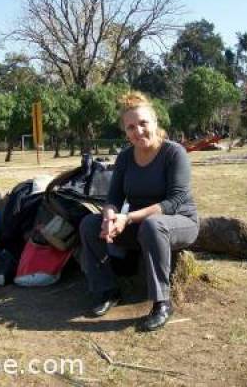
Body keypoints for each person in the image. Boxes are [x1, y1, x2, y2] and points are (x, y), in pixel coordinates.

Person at [79, 91, 199, 332]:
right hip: (137, 225)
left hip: (179, 222)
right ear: (126, 131)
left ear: (155, 122)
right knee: (89, 225)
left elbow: (173, 202)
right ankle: (107, 290)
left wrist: (128, 217)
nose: (138, 131)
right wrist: (109, 217)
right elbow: (113, 199)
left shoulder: (174, 153)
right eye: (131, 127)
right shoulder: (124, 158)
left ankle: (162, 303)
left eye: (143, 123)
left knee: (153, 225)